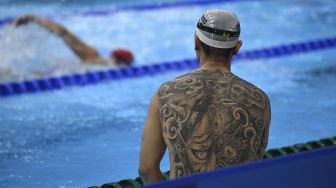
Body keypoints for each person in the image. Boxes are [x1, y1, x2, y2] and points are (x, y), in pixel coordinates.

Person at [139, 9, 271, 184]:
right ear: (237, 47)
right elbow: (255, 163)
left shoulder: (165, 94)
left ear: (196, 41)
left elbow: (146, 169)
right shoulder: (259, 100)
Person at [12, 15, 134, 66]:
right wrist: (34, 19)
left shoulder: (96, 58)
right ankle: (33, 18)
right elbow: (63, 32)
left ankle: (33, 18)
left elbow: (64, 32)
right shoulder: (93, 56)